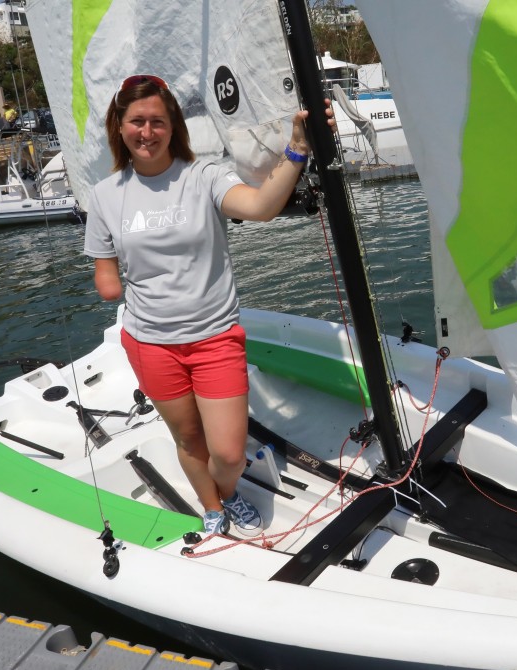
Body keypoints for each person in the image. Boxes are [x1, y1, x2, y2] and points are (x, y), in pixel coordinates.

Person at [83, 74, 334, 537]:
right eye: (136, 121)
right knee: (189, 438)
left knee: (229, 453)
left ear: (173, 126)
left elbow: (259, 206)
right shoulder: (104, 196)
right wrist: (109, 283)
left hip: (215, 338)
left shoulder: (203, 177)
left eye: (158, 121)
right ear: (118, 126)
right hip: (151, 342)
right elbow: (104, 271)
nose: (147, 131)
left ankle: (229, 488)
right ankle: (213, 505)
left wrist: (298, 147)